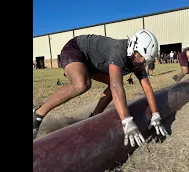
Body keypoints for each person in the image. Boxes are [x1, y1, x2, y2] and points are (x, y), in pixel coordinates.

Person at [33, 30, 168, 147]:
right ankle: (37, 114)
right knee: (82, 84)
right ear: (133, 46)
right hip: (76, 49)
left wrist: (155, 114)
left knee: (111, 84)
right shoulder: (118, 51)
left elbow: (147, 88)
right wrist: (127, 120)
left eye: (145, 60)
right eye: (140, 57)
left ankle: (94, 117)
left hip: (93, 62)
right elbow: (116, 87)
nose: (141, 62)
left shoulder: (136, 58)